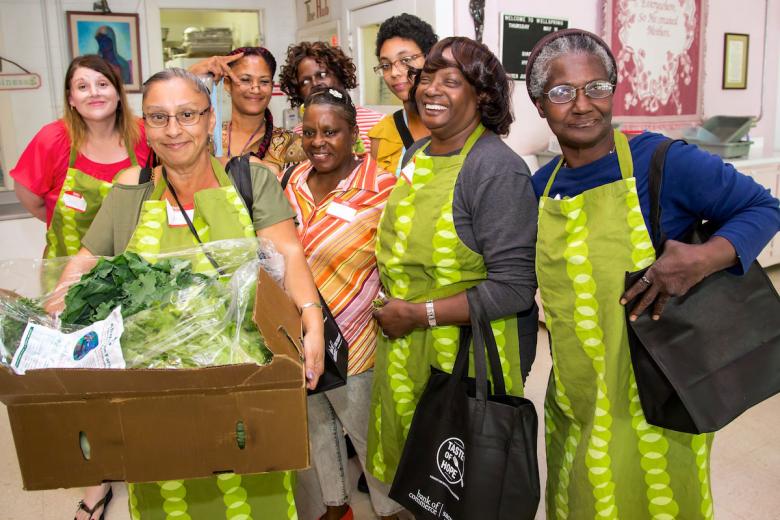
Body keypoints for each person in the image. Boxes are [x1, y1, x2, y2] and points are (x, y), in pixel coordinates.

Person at [526, 29, 780, 519]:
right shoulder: (539, 187)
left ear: (613, 90)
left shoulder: (663, 162)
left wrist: (702, 260)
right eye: (562, 92)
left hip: (661, 387)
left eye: (596, 87)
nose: (582, 105)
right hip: (579, 394)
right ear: (540, 105)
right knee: (584, 498)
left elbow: (763, 207)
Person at [53, 68, 324, 520]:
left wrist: (311, 320)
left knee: (254, 493)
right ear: (145, 124)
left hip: (242, 379)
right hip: (152, 386)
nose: (173, 130)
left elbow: (290, 255)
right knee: (167, 493)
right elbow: (82, 264)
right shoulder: (132, 190)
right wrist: (47, 314)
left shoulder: (250, 181)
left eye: (187, 115)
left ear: (209, 118)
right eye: (158, 117)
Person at [365, 37, 539, 485]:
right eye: (427, 77)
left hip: (467, 356)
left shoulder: (496, 169)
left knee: (459, 486)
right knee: (417, 480)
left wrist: (417, 314)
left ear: (481, 96)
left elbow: (514, 287)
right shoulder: (416, 155)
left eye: (452, 81)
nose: (431, 89)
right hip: (406, 350)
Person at [284, 86, 402, 520]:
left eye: (331, 131)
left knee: (372, 445)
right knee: (318, 436)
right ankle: (336, 511)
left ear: (353, 132)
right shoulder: (292, 180)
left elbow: (402, 263)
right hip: (302, 338)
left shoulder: (384, 187)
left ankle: (394, 512)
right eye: (310, 132)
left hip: (358, 343)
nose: (318, 142)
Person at [10, 54, 149, 258]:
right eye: (82, 87)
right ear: (71, 99)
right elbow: (32, 201)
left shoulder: (146, 134)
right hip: (67, 271)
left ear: (119, 94)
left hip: (134, 272)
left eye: (102, 84)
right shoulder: (52, 139)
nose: (94, 93)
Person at [189, 46, 306, 174]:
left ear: (272, 87)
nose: (256, 89)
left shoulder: (292, 143)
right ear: (227, 84)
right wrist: (191, 74)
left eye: (264, 81)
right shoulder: (206, 138)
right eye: (245, 80)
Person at [279, 41, 384, 155]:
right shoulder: (297, 136)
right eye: (305, 81)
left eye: (322, 75)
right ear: (298, 91)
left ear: (340, 75)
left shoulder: (378, 124)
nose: (315, 84)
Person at [369, 13, 437, 175]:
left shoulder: (459, 125)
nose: (394, 72)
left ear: (430, 58)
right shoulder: (382, 135)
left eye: (405, 60)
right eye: (385, 65)